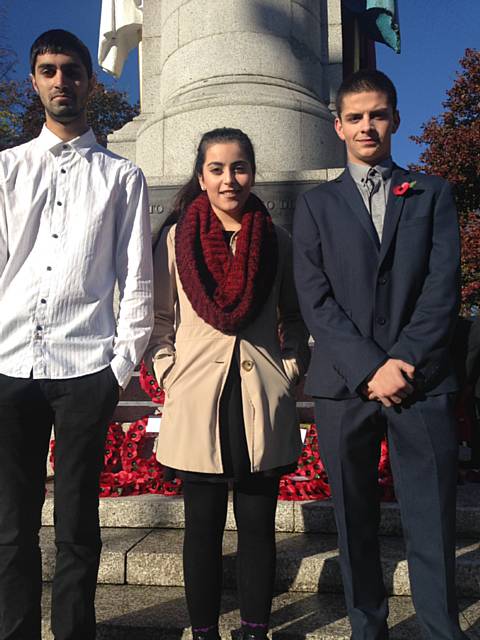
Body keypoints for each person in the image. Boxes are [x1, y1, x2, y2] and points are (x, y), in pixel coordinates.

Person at [293, 69, 467, 639]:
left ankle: (441, 628)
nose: (368, 125)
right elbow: (315, 299)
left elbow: (443, 288)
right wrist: (372, 367)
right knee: (355, 522)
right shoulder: (315, 205)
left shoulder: (432, 193)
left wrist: (404, 360)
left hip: (423, 380)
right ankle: (368, 628)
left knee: (431, 519)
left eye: (379, 114)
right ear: (337, 125)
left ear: (394, 118)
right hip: (346, 386)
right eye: (357, 116)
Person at [0, 30, 153, 640]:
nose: (60, 80)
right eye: (48, 70)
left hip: (84, 368)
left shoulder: (123, 178)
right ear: (35, 81)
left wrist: (116, 369)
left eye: (71, 70)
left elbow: (137, 280)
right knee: (10, 526)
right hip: (10, 366)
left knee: (77, 529)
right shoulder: (6, 171)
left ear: (91, 81)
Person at [147, 127, 309, 640]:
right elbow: (158, 320)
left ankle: (255, 629)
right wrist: (168, 370)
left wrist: (290, 369)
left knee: (258, 528)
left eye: (238, 167)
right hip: (199, 400)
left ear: (253, 172)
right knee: (202, 530)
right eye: (216, 169)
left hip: (260, 398)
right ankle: (204, 632)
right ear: (201, 176)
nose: (228, 179)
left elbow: (296, 317)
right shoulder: (176, 240)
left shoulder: (277, 241)